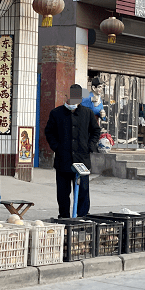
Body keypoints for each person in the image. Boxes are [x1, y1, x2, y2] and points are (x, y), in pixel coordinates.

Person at [45, 84, 101, 218]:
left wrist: (89, 146)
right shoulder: (56, 113)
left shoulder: (87, 113)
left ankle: (82, 217)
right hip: (63, 159)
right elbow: (49, 132)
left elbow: (95, 131)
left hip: (82, 160)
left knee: (83, 191)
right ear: (66, 96)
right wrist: (56, 147)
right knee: (63, 192)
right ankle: (64, 217)